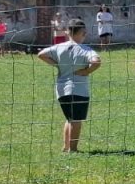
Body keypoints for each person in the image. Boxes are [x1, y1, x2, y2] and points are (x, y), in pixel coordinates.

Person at [37, 18, 101, 153]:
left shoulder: (59, 47)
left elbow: (41, 54)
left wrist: (57, 64)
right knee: (76, 120)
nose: (85, 35)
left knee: (69, 119)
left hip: (61, 89)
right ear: (81, 33)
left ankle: (66, 147)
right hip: (78, 89)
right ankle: (73, 149)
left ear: (68, 32)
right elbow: (96, 62)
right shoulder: (85, 49)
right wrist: (86, 71)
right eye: (84, 33)